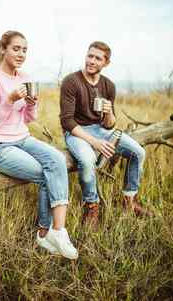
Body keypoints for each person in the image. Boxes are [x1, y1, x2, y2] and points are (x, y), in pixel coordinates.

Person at [0, 30, 78, 259]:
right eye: (16, 48)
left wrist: (32, 104)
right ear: (3, 49)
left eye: (24, 50)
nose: (21, 53)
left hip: (22, 138)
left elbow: (28, 119)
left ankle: (58, 231)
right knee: (44, 173)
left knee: (56, 160)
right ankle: (43, 232)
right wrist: (11, 99)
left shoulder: (24, 77)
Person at [60, 41, 152, 231]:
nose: (91, 61)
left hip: (101, 129)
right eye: (90, 56)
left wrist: (109, 112)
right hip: (76, 131)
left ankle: (129, 201)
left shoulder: (108, 86)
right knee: (87, 160)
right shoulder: (71, 81)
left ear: (106, 63)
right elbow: (67, 121)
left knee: (138, 153)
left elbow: (110, 125)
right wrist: (95, 143)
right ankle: (92, 206)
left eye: (97, 58)